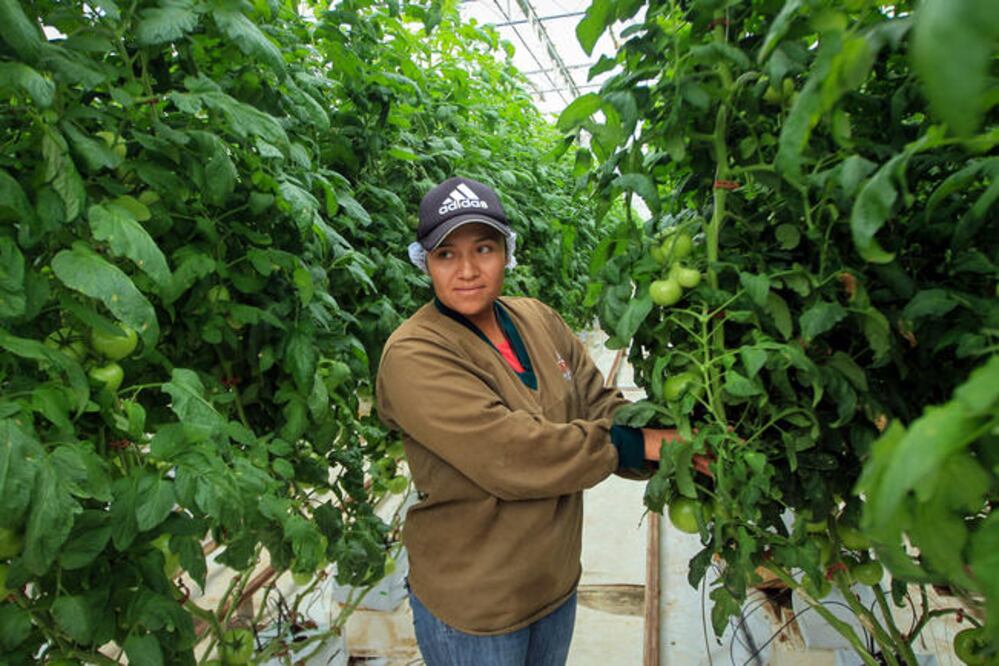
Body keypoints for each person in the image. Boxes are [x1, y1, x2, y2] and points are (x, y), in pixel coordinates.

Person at [375, 176, 695, 666]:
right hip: (476, 608)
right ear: (425, 264)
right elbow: (510, 453)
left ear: (508, 252)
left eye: (483, 248)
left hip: (554, 584)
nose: (466, 270)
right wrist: (636, 445)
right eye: (445, 254)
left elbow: (599, 401)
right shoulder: (414, 353)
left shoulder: (536, 318)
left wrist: (675, 435)